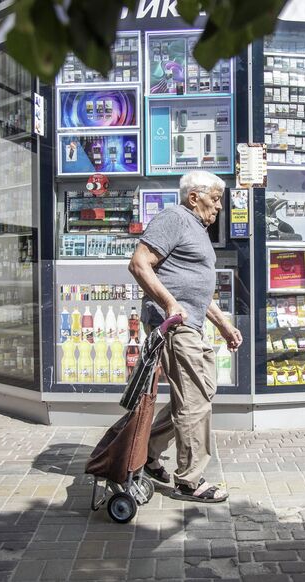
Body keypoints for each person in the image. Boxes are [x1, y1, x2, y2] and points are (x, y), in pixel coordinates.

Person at [128, 170, 242, 503]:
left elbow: (195, 288)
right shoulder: (174, 218)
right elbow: (139, 264)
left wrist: (222, 324)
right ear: (195, 197)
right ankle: (190, 480)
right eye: (216, 198)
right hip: (176, 325)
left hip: (189, 323)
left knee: (193, 398)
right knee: (195, 401)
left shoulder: (197, 229)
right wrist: (169, 303)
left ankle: (148, 453)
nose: (219, 206)